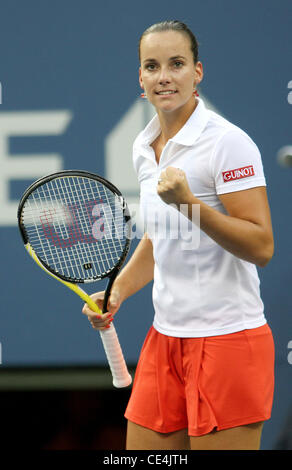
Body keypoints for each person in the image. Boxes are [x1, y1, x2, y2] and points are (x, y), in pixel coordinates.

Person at [82, 20, 275, 450]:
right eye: (152, 66)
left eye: (176, 64)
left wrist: (188, 202)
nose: (164, 76)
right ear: (140, 78)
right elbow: (159, 238)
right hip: (165, 340)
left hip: (230, 340)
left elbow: (262, 246)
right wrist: (118, 292)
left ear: (197, 72)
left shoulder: (229, 143)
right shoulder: (142, 146)